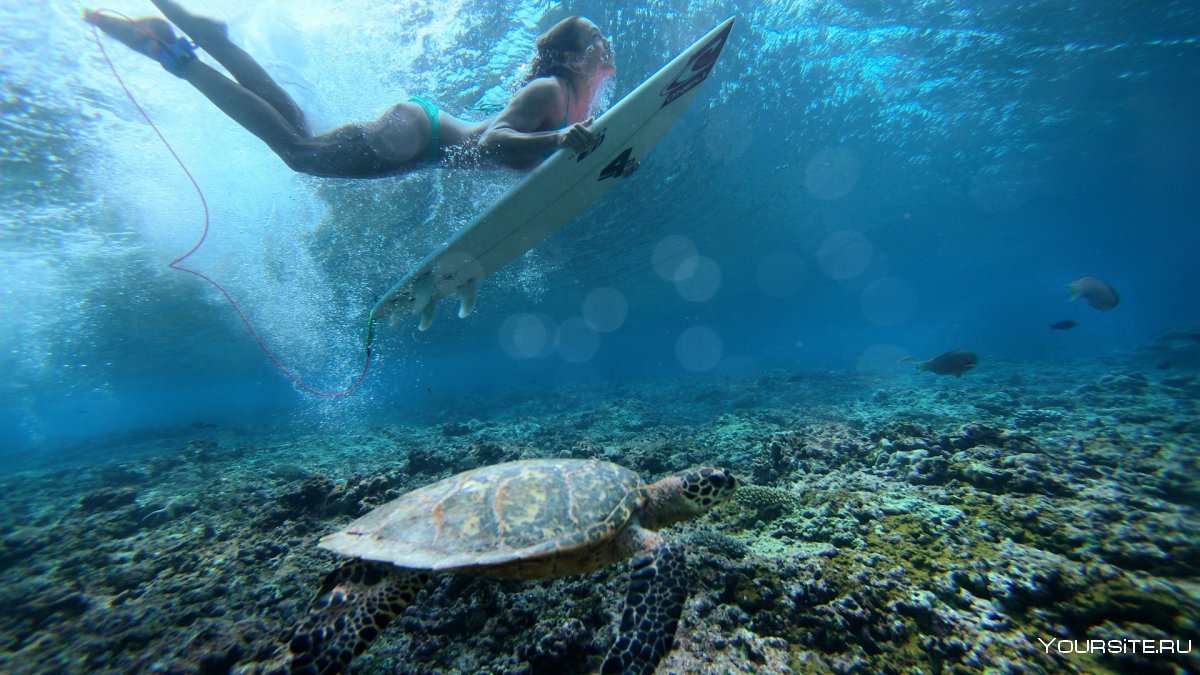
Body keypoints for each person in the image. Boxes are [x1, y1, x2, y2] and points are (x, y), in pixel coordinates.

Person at [84, 1, 616, 178]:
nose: (605, 45)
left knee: (298, 128)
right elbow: (490, 143)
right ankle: (175, 58)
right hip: (421, 137)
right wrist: (558, 141)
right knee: (299, 154)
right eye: (595, 38)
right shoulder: (551, 93)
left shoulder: (576, 102)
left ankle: (213, 40)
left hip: (421, 138)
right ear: (570, 57)